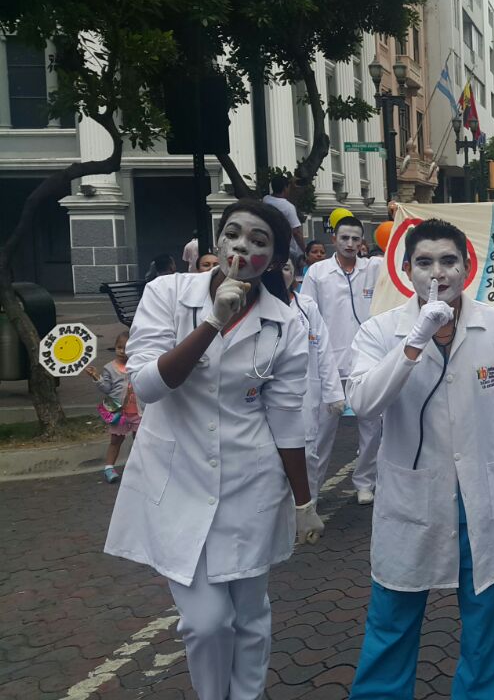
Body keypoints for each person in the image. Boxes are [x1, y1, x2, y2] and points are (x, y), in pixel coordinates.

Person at [103, 200, 322, 700]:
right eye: (233, 234)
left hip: (251, 483)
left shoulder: (284, 324)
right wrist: (210, 325)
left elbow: (286, 418)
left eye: (260, 241)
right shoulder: (166, 294)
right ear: (217, 242)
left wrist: (304, 500)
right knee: (206, 622)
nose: (243, 246)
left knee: (249, 617)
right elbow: (149, 386)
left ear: (273, 257)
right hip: (177, 480)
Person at [346, 220, 494, 699]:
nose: (437, 274)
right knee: (393, 618)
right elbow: (364, 403)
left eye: (448, 261)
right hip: (413, 495)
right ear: (406, 271)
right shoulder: (381, 331)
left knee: (486, 615)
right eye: (424, 263)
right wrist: (414, 342)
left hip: (481, 497)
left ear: (467, 268)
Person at [300, 216, 383, 504]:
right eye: (344, 238)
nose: (350, 244)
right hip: (328, 365)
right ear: (333, 238)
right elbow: (306, 316)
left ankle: (364, 482)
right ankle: (310, 493)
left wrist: (398, 214)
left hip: (366, 363)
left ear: (363, 242)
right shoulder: (318, 273)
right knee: (320, 433)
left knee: (372, 428)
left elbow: (401, 254)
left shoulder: (374, 268)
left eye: (356, 239)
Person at [280, 257, 345, 501]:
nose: (280, 273)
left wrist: (334, 393)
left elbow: (324, 350)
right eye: (274, 268)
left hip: (306, 392)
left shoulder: (306, 306)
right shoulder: (253, 306)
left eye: (286, 268)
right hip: (269, 398)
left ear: (295, 274)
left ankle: (308, 508)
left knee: (308, 454)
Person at [85, 331, 141, 484]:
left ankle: (138, 468)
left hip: (138, 411)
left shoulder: (138, 365)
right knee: (116, 440)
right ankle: (109, 468)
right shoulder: (109, 368)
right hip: (118, 412)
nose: (122, 351)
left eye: (127, 348)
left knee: (140, 441)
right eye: (119, 347)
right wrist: (97, 377)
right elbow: (106, 389)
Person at [262, 176, 306, 256]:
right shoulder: (288, 207)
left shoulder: (266, 200)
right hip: (287, 249)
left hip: (268, 245)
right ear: (285, 188)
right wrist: (305, 251)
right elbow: (296, 232)